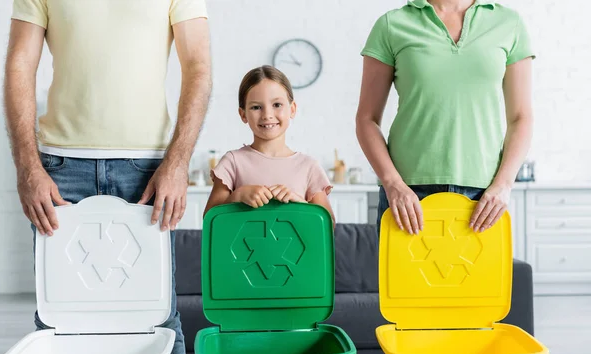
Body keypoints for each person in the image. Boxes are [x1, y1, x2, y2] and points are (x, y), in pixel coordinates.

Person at [4, 1, 212, 354]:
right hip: (61, 171)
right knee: (59, 320)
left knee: (157, 319)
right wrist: (28, 168)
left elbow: (198, 67)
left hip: (148, 172)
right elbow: (19, 66)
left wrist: (178, 162)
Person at [356, 0, 534, 235]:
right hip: (408, 196)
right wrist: (393, 184)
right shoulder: (392, 25)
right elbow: (366, 119)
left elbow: (521, 117)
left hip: (485, 198)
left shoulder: (509, 24)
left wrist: (504, 184)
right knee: (403, 274)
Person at [204, 66, 334, 221]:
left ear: (292, 109)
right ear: (243, 114)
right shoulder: (232, 163)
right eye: (256, 107)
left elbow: (328, 226)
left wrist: (300, 204)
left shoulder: (309, 167)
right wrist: (236, 197)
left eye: (277, 105)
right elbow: (210, 221)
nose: (267, 115)